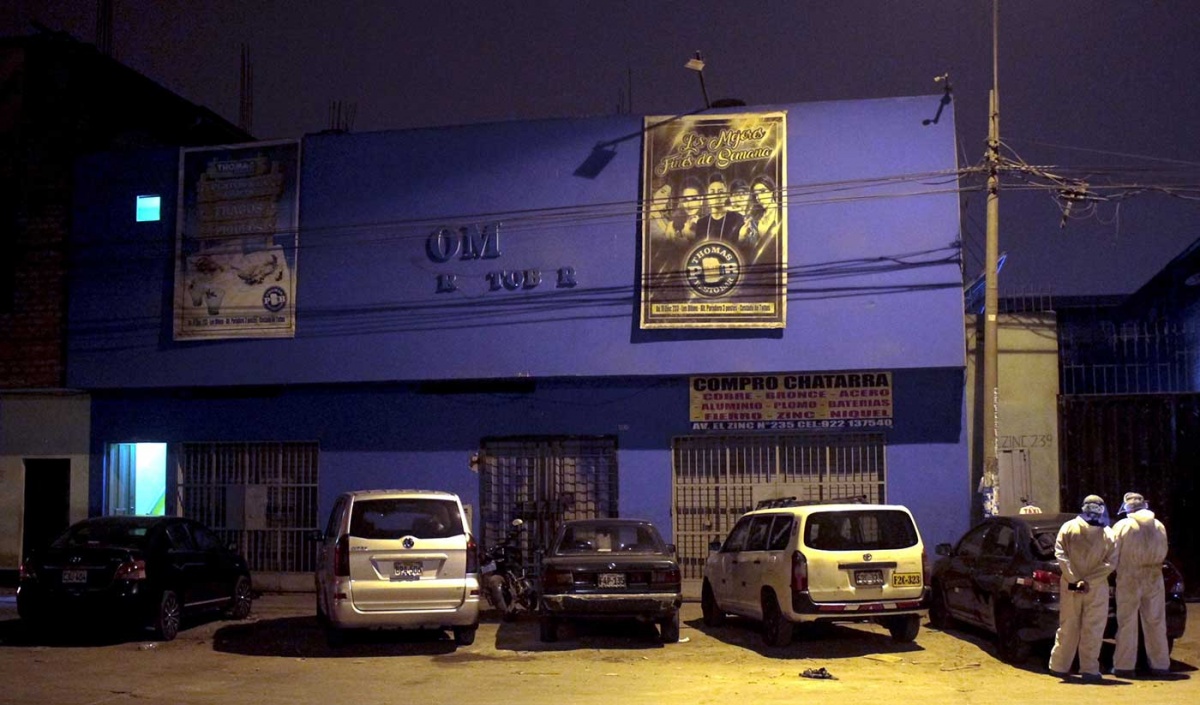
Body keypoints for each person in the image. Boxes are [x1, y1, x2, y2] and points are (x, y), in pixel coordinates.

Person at [1047, 494, 1116, 682]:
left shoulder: (1068, 528)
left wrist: (1075, 579)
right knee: (1093, 629)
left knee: (1068, 625)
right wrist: (1089, 581)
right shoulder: (1108, 534)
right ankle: (1089, 669)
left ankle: (1059, 666)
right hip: (1096, 587)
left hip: (1071, 586)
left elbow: (1060, 555)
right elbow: (1110, 563)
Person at [1110, 491, 1171, 677]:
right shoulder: (1158, 526)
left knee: (1126, 622)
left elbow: (1112, 554)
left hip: (1129, 577)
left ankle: (1124, 666)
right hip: (1154, 576)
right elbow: (1164, 549)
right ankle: (1160, 665)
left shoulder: (1122, 526)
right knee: (1156, 621)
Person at [694, 172, 745, 243]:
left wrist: (742, 238)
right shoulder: (701, 223)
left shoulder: (737, 219)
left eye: (720, 192)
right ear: (708, 196)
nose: (716, 196)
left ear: (726, 195)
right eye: (712, 192)